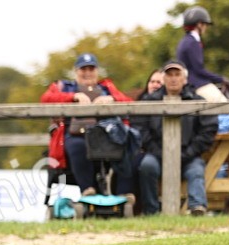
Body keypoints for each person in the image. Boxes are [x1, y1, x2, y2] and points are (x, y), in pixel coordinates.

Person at [41, 53, 134, 196]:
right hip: (73, 136)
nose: (87, 73)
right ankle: (88, 190)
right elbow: (46, 99)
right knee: (78, 146)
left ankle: (124, 194)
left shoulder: (107, 87)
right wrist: (73, 97)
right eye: (83, 69)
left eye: (91, 69)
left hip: (106, 135)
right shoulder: (64, 87)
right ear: (76, 72)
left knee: (126, 142)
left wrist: (112, 98)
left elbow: (129, 102)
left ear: (97, 71)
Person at [136, 61, 218, 216]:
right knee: (147, 166)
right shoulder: (150, 101)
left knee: (196, 170)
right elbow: (140, 129)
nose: (173, 79)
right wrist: (160, 152)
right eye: (169, 75)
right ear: (164, 78)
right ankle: (151, 211)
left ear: (184, 79)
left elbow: (208, 130)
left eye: (177, 74)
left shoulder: (198, 101)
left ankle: (197, 207)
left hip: (189, 155)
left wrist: (188, 152)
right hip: (157, 154)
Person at [176, 6, 227, 101]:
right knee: (222, 102)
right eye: (205, 25)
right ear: (199, 24)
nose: (206, 28)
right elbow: (199, 69)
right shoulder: (193, 42)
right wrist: (220, 79)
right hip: (196, 83)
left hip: (190, 81)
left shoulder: (185, 41)